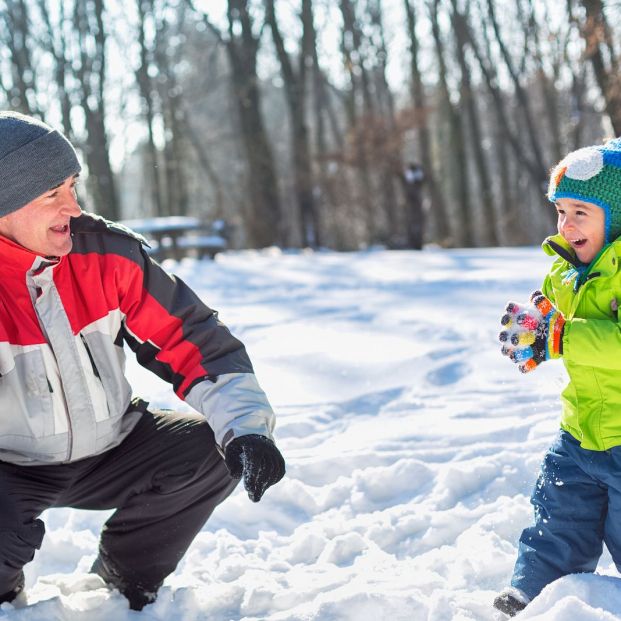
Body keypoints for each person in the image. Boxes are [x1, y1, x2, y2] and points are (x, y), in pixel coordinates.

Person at [0, 111, 285, 610]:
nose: (73, 206)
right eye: (52, 194)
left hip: (112, 444)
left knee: (209, 451)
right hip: (9, 466)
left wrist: (247, 428)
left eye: (72, 185)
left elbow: (192, 336)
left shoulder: (106, 255)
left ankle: (124, 577)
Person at [494, 138, 621, 616]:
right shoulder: (566, 273)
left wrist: (563, 338)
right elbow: (553, 320)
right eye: (560, 211)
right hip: (579, 432)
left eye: (580, 213)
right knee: (558, 518)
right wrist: (535, 329)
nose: (566, 225)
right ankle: (534, 590)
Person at [401, 162, 425, 250]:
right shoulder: (409, 177)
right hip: (412, 205)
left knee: (417, 223)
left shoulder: (417, 177)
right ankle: (413, 242)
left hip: (416, 205)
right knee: (412, 223)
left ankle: (417, 243)